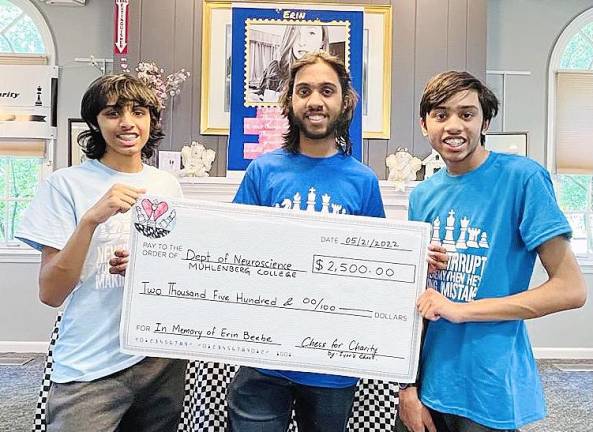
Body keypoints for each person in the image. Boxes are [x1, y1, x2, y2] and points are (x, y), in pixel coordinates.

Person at [397, 70, 587, 432]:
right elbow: (419, 299)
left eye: (466, 114)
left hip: (489, 385)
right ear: (425, 125)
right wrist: (408, 387)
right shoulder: (422, 195)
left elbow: (571, 289)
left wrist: (460, 310)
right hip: (430, 383)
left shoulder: (523, 178)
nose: (453, 125)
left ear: (485, 121)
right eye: (440, 115)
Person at [16, 74, 187, 432]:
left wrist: (147, 268)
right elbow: (50, 292)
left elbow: (176, 269)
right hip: (89, 363)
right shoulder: (65, 185)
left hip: (157, 358)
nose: (127, 122)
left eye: (138, 112)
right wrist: (91, 220)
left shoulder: (167, 185)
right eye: (113, 113)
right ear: (95, 122)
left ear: (151, 120)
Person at [226, 50, 383, 432]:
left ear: (344, 101)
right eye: (304, 91)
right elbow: (228, 248)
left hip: (332, 364)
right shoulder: (262, 171)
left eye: (327, 90)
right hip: (263, 355)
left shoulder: (363, 182)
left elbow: (379, 269)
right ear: (290, 101)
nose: (315, 101)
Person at [249, 24, 330, 102]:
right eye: (295, 33)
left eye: (311, 33)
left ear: (322, 42)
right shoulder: (276, 69)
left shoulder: (332, 76)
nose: (301, 42)